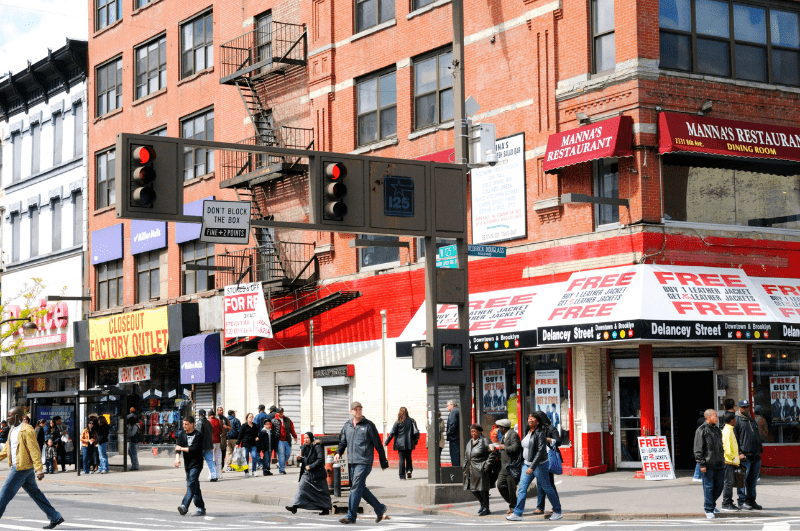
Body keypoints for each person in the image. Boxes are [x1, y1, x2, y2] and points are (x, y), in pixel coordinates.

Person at [0, 406, 64, 529]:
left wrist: (39, 469)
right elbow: (6, 450)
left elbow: (34, 450)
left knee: (4, 495)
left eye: (9, 416)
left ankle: (55, 516)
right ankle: (55, 517)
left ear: (17, 416)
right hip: (23, 467)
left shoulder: (27, 430)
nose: (7, 418)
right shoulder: (12, 429)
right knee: (36, 494)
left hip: (21, 468)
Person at [334, 401, 390, 525]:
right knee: (360, 488)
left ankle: (350, 516)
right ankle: (380, 508)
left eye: (360, 409)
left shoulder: (369, 425)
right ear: (351, 411)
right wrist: (338, 452)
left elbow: (378, 444)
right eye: (356, 409)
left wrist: (383, 462)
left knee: (354, 488)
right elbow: (342, 442)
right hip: (352, 462)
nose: (358, 411)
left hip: (364, 462)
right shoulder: (347, 425)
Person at [506, 411, 562, 522]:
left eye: (533, 418)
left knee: (547, 487)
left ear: (538, 421)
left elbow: (541, 451)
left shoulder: (540, 433)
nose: (530, 419)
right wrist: (525, 463)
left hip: (540, 465)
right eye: (529, 417)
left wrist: (532, 467)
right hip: (526, 464)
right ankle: (517, 513)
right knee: (522, 488)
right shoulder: (528, 431)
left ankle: (557, 511)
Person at [286, 433, 332, 515]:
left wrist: (311, 466)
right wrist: (300, 459)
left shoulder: (317, 446)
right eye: (304, 438)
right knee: (301, 488)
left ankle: (326, 509)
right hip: (307, 473)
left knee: (322, 492)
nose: (305, 440)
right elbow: (307, 460)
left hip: (318, 474)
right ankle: (295, 507)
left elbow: (320, 459)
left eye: (307, 438)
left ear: (311, 438)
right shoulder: (305, 448)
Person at [694, 408, 724, 519]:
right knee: (709, 487)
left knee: (720, 486)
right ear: (708, 417)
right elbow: (698, 449)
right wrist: (702, 464)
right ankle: (708, 508)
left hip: (719, 463)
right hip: (708, 464)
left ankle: (711, 503)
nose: (717, 418)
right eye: (715, 416)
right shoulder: (701, 430)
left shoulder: (716, 430)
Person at [734, 399, 763, 510]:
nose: (746, 409)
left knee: (753, 480)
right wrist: (739, 453)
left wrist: (759, 449)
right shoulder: (737, 420)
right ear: (739, 408)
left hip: (755, 454)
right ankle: (742, 501)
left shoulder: (751, 419)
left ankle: (751, 500)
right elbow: (735, 438)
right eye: (744, 407)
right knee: (742, 479)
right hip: (744, 455)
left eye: (747, 407)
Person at [174, 415, 206, 517]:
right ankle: (200, 508)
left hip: (196, 464)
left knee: (191, 484)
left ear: (192, 425)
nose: (184, 426)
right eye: (183, 424)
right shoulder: (182, 434)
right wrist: (177, 458)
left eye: (186, 424)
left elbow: (194, 449)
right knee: (194, 486)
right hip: (187, 464)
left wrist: (182, 448)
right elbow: (177, 447)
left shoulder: (198, 435)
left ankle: (184, 505)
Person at [463, 423, 494, 516]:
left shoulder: (485, 441)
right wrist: (465, 466)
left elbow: (492, 454)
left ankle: (486, 508)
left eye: (475, 430)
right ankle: (482, 503)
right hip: (470, 469)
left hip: (481, 468)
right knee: (473, 489)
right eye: (471, 430)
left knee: (483, 489)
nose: (473, 432)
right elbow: (466, 455)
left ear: (480, 432)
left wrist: (486, 466)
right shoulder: (470, 442)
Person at [494, 418, 522, 515]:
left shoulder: (513, 434)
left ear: (503, 428)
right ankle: (514, 503)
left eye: (499, 427)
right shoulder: (504, 436)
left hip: (511, 465)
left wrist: (504, 447)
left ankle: (514, 507)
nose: (498, 429)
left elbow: (516, 448)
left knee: (511, 488)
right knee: (500, 485)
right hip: (504, 466)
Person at [535, 416, 562, 516]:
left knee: (549, 483)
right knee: (540, 484)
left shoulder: (551, 429)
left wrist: (547, 439)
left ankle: (556, 506)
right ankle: (540, 507)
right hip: (538, 459)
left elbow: (558, 442)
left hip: (548, 459)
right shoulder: (534, 430)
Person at [384, 407, 419, 480]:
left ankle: (402, 476)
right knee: (409, 458)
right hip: (409, 443)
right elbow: (415, 432)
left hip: (400, 444)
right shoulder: (411, 421)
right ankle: (409, 470)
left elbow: (392, 433)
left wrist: (386, 442)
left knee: (402, 459)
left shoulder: (398, 422)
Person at [720, 411, 740, 512]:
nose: (736, 421)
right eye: (735, 419)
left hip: (730, 461)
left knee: (730, 482)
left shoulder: (730, 429)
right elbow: (727, 448)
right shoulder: (727, 431)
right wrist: (733, 459)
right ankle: (726, 503)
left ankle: (729, 502)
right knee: (728, 482)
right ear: (731, 420)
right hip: (728, 462)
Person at [273, 408, 297, 475]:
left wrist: (295, 436)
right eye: (279, 412)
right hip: (279, 440)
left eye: (282, 412)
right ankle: (281, 469)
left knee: (288, 453)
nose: (281, 413)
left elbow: (291, 428)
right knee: (281, 455)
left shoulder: (288, 420)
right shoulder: (274, 420)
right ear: (277, 413)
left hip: (287, 439)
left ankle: (280, 464)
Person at [196, 410, 218, 482]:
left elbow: (198, 435)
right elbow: (211, 433)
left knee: (198, 462)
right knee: (210, 461)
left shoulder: (199, 422)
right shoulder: (209, 423)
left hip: (201, 446)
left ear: (199, 415)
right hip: (209, 445)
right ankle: (214, 476)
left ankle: (195, 477)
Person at [237, 413, 259, 478]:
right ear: (247, 418)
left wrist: (257, 437)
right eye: (250, 417)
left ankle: (254, 471)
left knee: (254, 457)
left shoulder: (255, 425)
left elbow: (256, 433)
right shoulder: (244, 426)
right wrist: (237, 443)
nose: (251, 418)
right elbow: (240, 435)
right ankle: (246, 472)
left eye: (252, 417)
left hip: (253, 444)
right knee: (246, 458)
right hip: (245, 444)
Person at [252, 405, 268, 471]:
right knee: (265, 451)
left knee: (257, 451)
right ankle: (265, 464)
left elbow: (255, 426)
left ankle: (260, 462)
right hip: (266, 436)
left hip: (259, 436)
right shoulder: (268, 416)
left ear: (259, 409)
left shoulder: (257, 416)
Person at [208, 411, 222, 478]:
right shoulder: (219, 421)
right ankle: (220, 474)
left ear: (209, 416)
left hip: (211, 442)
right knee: (218, 458)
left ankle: (211, 474)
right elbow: (221, 430)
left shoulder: (208, 422)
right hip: (218, 441)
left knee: (211, 459)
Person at [446, 400, 460, 467]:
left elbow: (452, 424)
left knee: (455, 456)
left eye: (448, 406)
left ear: (452, 405)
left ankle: (456, 471)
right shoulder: (459, 410)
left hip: (454, 438)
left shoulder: (453, 412)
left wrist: (449, 433)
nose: (447, 407)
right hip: (459, 437)